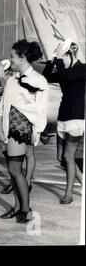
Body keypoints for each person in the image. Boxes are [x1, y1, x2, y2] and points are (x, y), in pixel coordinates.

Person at [0, 39, 48, 223]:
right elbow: (3, 105)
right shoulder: (11, 80)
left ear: (23, 57)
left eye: (12, 56)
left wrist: (37, 132)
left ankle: (25, 209)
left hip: (21, 128)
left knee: (14, 169)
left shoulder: (38, 80)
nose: (10, 60)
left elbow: (40, 110)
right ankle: (18, 207)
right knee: (13, 171)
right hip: (8, 129)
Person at [42, 39, 85, 204]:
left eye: (64, 59)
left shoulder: (82, 69)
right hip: (63, 116)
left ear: (70, 55)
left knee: (68, 156)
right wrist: (52, 59)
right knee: (62, 157)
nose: (63, 63)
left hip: (76, 117)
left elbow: (63, 77)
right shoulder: (65, 70)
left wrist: (59, 60)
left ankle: (69, 194)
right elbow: (46, 77)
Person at [0, 60, 36, 195]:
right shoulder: (11, 79)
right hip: (10, 124)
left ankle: (26, 181)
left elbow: (6, 87)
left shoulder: (14, 80)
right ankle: (18, 182)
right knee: (13, 157)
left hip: (23, 123)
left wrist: (0, 71)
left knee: (28, 154)